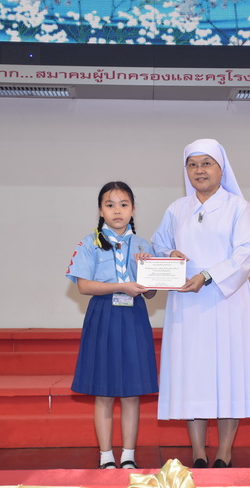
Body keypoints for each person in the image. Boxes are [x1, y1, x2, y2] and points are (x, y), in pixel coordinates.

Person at [152, 138, 250, 469]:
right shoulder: (177, 208)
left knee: (228, 374)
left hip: (227, 301)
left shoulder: (238, 207)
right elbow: (159, 244)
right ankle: (198, 452)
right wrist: (170, 253)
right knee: (193, 374)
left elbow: (245, 254)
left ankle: (224, 452)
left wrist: (208, 275)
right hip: (187, 303)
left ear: (221, 168)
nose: (199, 170)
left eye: (206, 163)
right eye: (192, 164)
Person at [65, 181, 158, 469]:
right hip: (103, 316)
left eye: (123, 204)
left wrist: (146, 270)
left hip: (134, 317)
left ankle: (128, 455)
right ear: (100, 211)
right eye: (110, 205)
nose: (117, 210)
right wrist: (121, 286)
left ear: (133, 209)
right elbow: (83, 286)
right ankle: (106, 456)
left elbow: (151, 293)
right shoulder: (88, 243)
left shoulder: (143, 245)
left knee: (131, 392)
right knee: (103, 392)